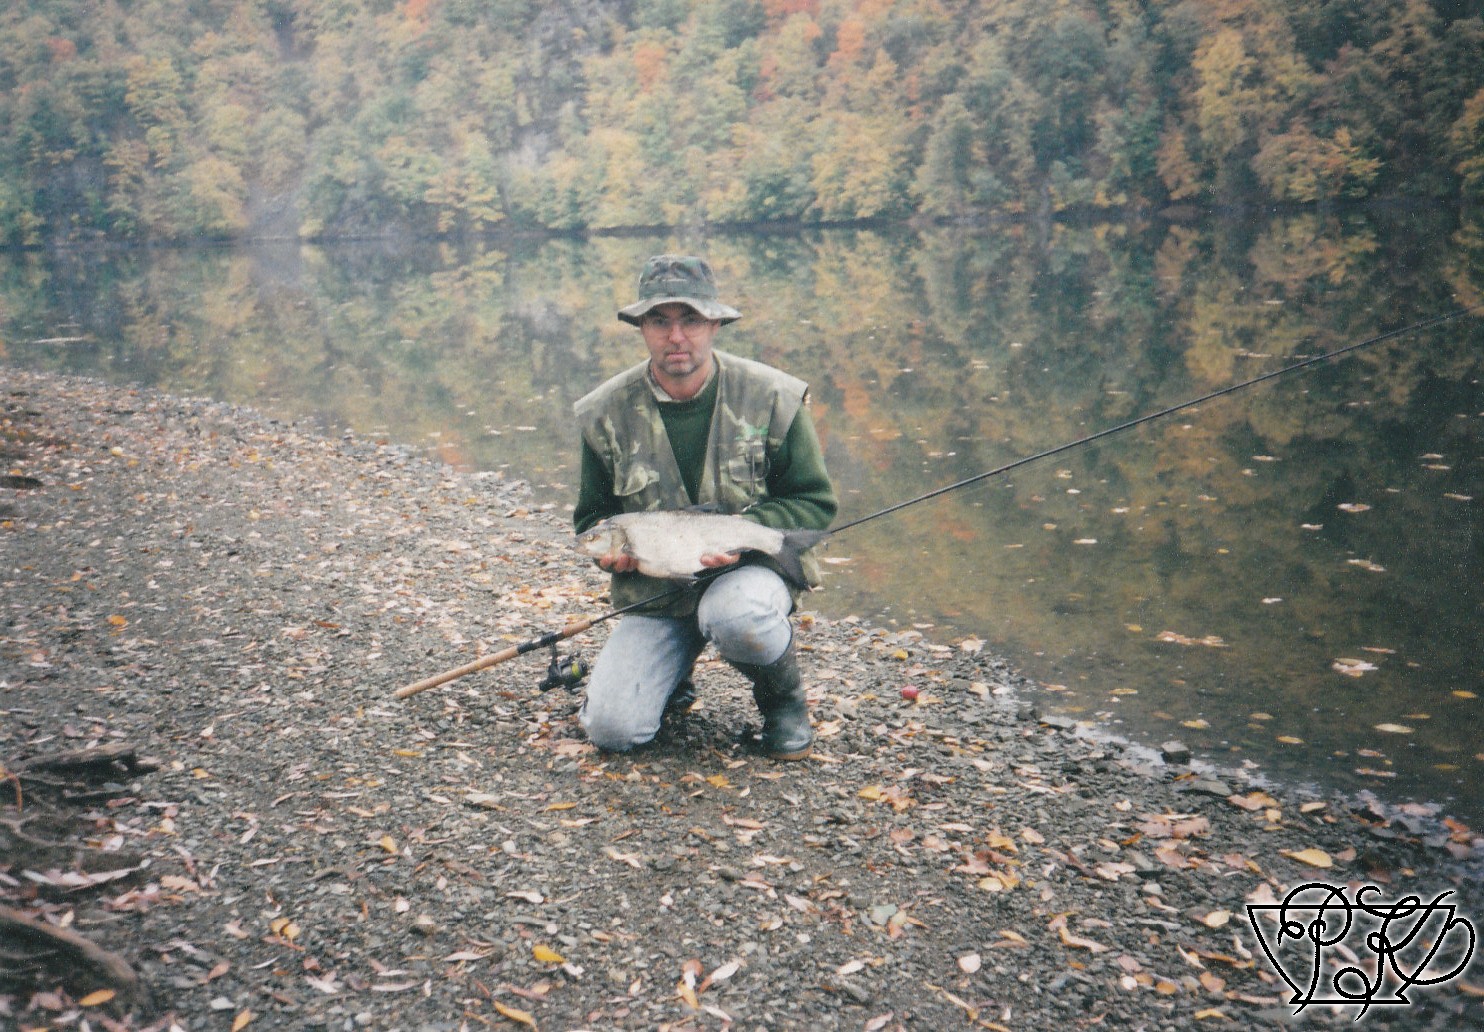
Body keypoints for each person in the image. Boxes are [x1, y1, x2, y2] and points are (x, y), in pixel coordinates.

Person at [573, 254, 837, 759]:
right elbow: (591, 519)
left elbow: (812, 501)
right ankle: (672, 682)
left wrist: (746, 535)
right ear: (641, 327)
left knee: (736, 613)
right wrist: (610, 556)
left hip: (750, 576)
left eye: (691, 320)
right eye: (660, 321)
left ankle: (783, 703)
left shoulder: (773, 397)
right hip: (657, 594)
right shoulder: (603, 413)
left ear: (715, 323)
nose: (677, 337)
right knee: (612, 730)